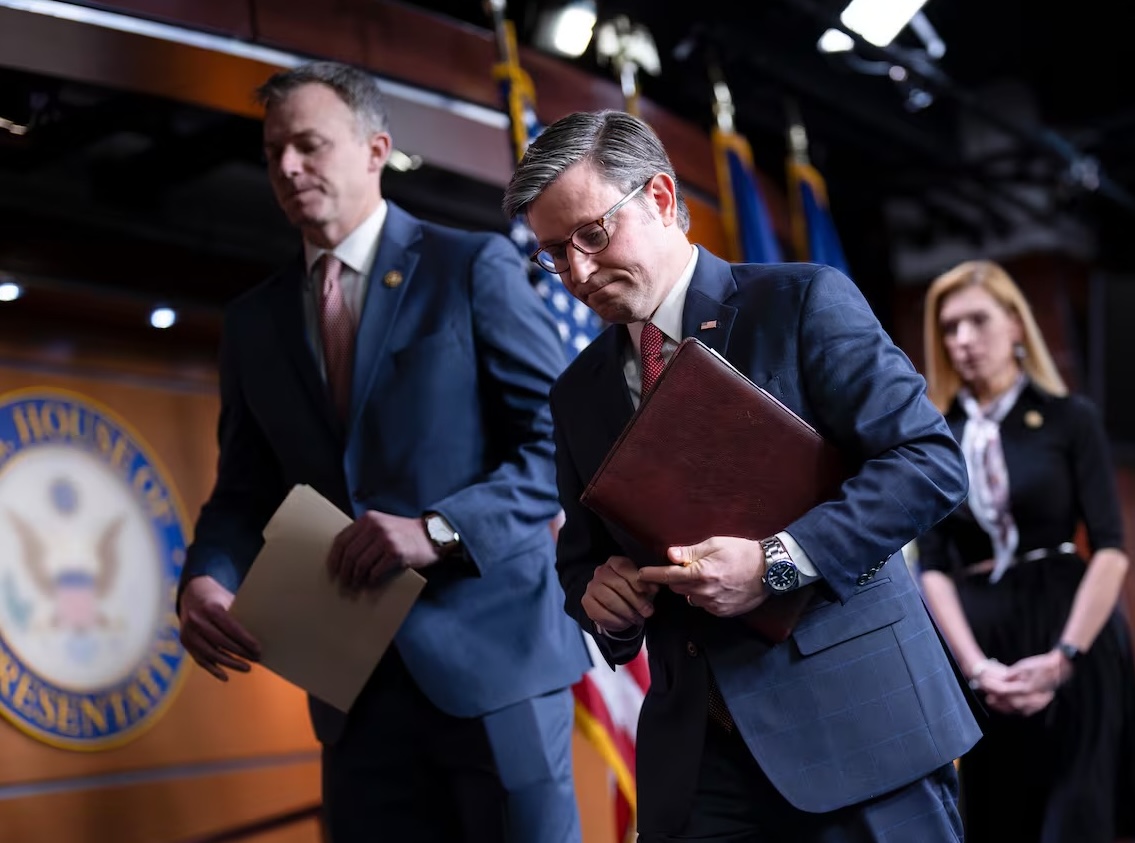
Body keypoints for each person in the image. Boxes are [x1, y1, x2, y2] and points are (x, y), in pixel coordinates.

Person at [504, 109, 980, 843]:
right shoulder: (576, 393)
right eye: (553, 254)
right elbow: (582, 565)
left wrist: (777, 561)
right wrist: (605, 601)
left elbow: (927, 461)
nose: (577, 272)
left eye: (591, 235)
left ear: (659, 197)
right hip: (696, 765)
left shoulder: (800, 301)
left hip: (856, 730)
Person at [176, 62, 589, 843]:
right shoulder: (252, 323)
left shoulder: (471, 267)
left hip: (495, 666)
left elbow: (563, 440)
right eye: (273, 154)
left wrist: (437, 529)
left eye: (309, 144)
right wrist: (205, 575)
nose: (289, 167)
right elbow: (242, 491)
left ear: (376, 149)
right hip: (350, 685)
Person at [914, 260, 1135, 842]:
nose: (963, 340)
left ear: (1017, 326)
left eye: (978, 321)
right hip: (984, 652)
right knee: (1006, 823)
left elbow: (1111, 549)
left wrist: (1064, 656)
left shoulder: (1068, 418)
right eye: (950, 328)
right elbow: (934, 568)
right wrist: (976, 670)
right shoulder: (932, 437)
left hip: (1069, 633)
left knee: (1079, 819)